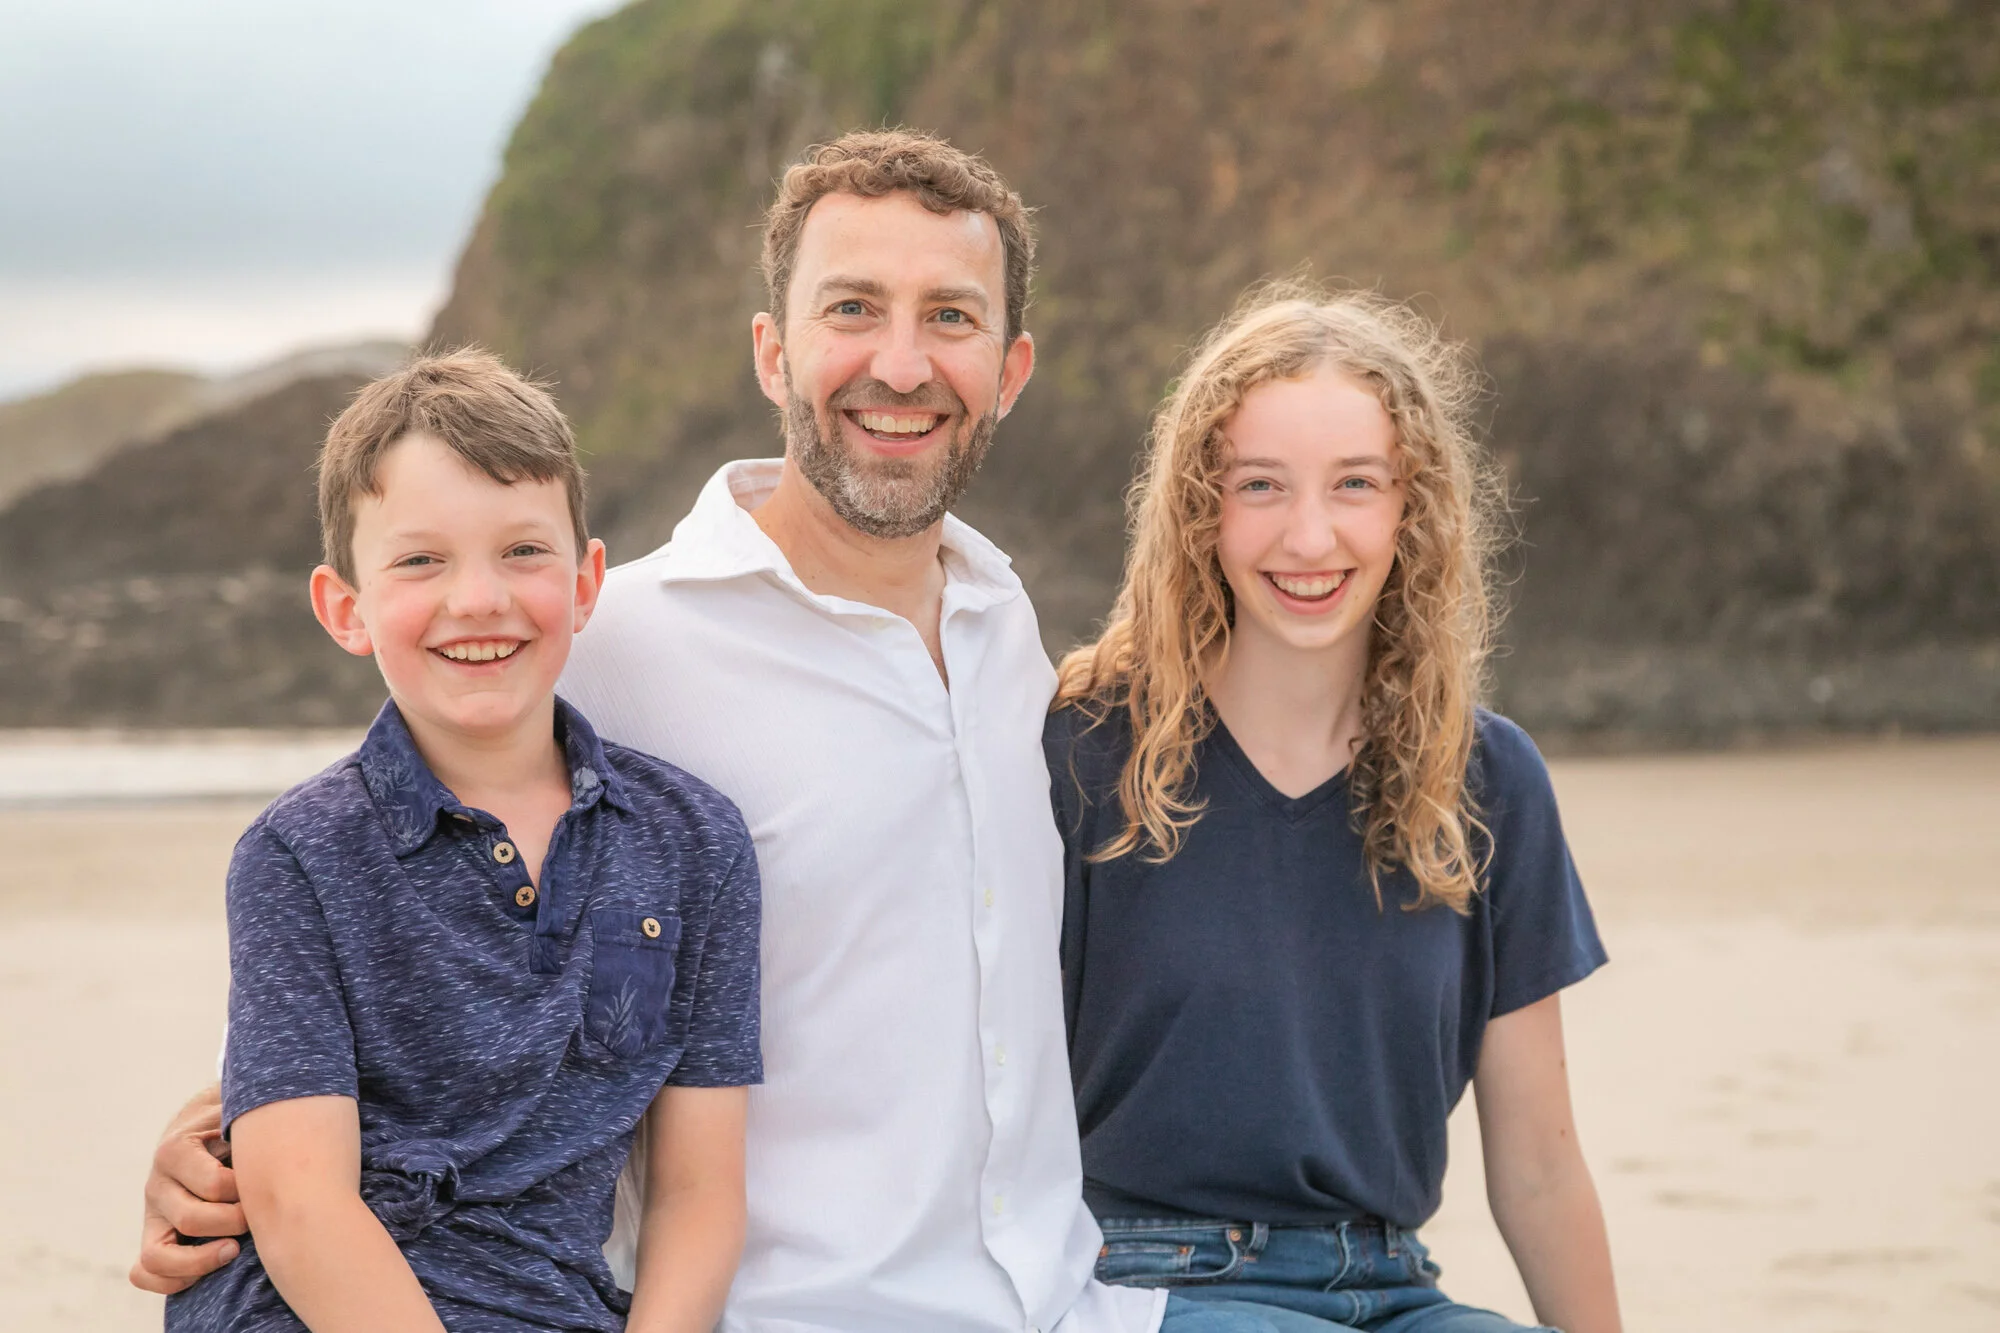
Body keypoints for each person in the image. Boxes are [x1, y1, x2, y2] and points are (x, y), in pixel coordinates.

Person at [135, 131, 1190, 1332]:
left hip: (1062, 1302)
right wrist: (214, 1147)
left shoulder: (1018, 638)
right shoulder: (614, 635)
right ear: (770, 351)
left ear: (1009, 369)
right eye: (851, 307)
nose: (900, 362)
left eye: (950, 316)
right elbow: (398, 901)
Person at [1046, 287, 1623, 1333]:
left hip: (1394, 1286)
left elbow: (1537, 1163)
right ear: (1197, 509)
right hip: (1138, 1282)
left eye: (1353, 484)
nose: (1308, 536)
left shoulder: (1486, 778)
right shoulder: (1081, 752)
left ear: (1413, 508)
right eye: (1258, 485)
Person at [162, 351, 762, 1332]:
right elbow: (299, 1204)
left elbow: (698, 1192)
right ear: (344, 608)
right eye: (419, 560)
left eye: (522, 551)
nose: (476, 598)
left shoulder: (691, 846)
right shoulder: (298, 855)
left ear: (583, 581)